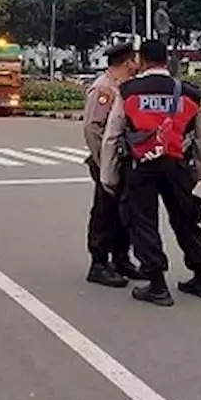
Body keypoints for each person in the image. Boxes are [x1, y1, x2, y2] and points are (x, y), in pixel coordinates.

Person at [100, 39, 201, 307]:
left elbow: (112, 135)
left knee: (143, 223)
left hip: (142, 166)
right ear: (167, 60)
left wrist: (109, 176)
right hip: (177, 166)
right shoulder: (189, 92)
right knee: (186, 220)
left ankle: (157, 284)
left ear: (141, 61)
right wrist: (198, 172)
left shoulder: (128, 91)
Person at [82, 40, 142, 288]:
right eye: (135, 60)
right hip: (107, 160)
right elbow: (92, 128)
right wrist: (103, 161)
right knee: (105, 211)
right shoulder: (104, 89)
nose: (138, 64)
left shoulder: (124, 87)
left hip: (123, 160)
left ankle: (121, 258)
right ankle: (98, 263)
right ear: (127, 62)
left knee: (124, 211)